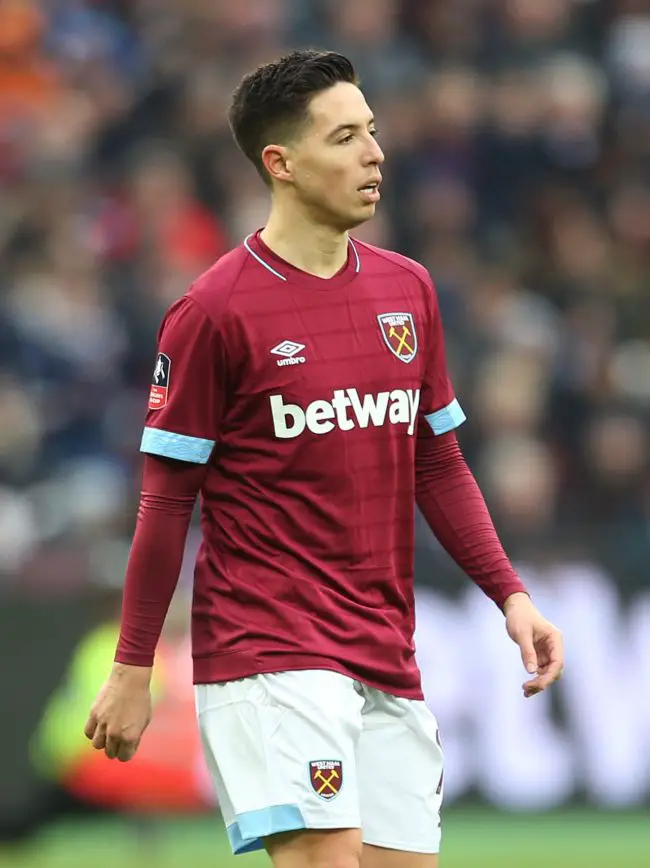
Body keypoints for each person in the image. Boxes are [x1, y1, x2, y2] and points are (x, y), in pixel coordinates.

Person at [84, 49, 564, 868]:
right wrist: (134, 668)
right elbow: (166, 503)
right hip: (268, 647)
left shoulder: (407, 290)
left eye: (371, 131)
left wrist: (509, 594)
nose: (375, 154)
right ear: (281, 163)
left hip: (384, 646)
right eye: (345, 138)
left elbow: (438, 465)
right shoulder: (213, 311)